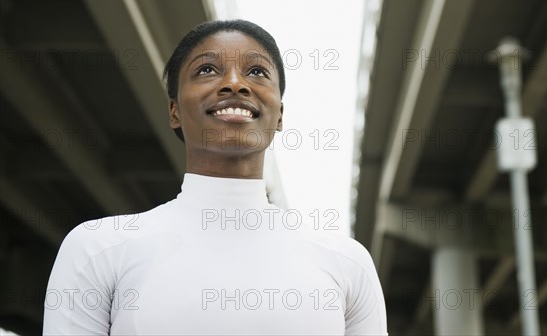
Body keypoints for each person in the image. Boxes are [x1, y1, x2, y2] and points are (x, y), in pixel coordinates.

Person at [42, 20, 388, 335]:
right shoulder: (97, 248)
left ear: (280, 113)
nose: (235, 84)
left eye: (256, 72)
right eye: (207, 69)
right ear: (174, 111)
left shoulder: (347, 262)